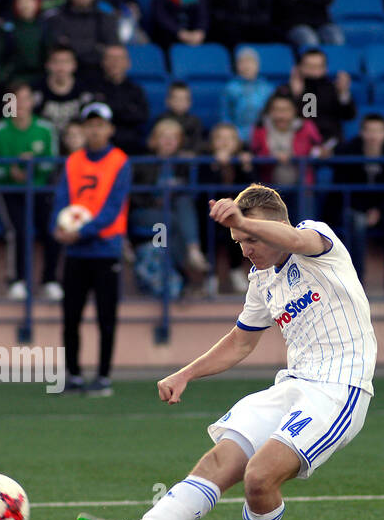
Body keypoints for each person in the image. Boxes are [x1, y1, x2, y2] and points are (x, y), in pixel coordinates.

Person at [75, 183, 376, 520]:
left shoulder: (318, 241)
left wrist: (242, 220)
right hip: (291, 385)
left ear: (273, 224)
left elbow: (293, 240)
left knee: (258, 477)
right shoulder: (262, 281)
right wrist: (185, 373)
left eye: (251, 239)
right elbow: (240, 343)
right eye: (239, 242)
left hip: (339, 390)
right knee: (222, 458)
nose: (246, 248)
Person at [52, 101, 131, 397]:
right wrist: (57, 227)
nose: (95, 130)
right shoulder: (73, 162)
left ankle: (103, 377)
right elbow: (61, 198)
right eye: (90, 125)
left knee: (105, 317)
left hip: (105, 250)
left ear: (109, 129)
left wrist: (80, 232)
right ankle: (72, 375)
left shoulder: (120, 161)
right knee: (70, 316)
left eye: (100, 125)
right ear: (83, 129)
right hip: (76, 253)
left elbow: (112, 209)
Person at [0, 79, 62, 301]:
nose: (21, 104)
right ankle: (17, 280)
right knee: (18, 230)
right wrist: (10, 171)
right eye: (15, 99)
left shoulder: (45, 129)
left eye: (25, 98)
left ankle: (50, 280)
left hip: (40, 189)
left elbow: (52, 161)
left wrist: (33, 165)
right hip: (11, 190)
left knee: (52, 228)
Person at [129, 119, 210, 298]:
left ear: (179, 142)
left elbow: (191, 192)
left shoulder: (183, 164)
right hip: (145, 213)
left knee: (180, 209)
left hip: (173, 214)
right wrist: (154, 199)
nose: (168, 141)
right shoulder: (142, 163)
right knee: (172, 220)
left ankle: (190, 254)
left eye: (173, 138)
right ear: (154, 140)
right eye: (164, 137)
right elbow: (133, 196)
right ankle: (190, 268)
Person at [329, 113, 384, 293]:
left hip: (380, 206)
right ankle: (356, 280)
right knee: (358, 223)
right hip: (352, 205)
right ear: (362, 133)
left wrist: (378, 210)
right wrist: (365, 209)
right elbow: (342, 188)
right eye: (369, 131)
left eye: (378, 131)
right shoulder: (348, 152)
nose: (373, 136)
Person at [202, 122, 255, 293]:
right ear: (212, 143)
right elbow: (204, 192)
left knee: (235, 228)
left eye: (229, 139)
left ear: (237, 143)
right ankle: (211, 276)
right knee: (209, 229)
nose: (224, 143)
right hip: (211, 211)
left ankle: (235, 270)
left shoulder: (242, 160)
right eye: (220, 139)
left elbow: (253, 190)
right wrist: (216, 167)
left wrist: (246, 167)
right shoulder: (206, 160)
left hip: (238, 212)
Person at [43, 0, 120, 81]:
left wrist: (71, 44)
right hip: (64, 76)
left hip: (99, 75)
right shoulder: (56, 19)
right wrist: (94, 47)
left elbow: (111, 50)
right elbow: (58, 51)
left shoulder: (106, 19)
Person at [277, 47, 355, 149]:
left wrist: (344, 93)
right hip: (297, 144)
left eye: (317, 67)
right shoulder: (287, 89)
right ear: (300, 67)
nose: (313, 71)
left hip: (331, 144)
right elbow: (280, 115)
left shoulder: (333, 89)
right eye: (309, 66)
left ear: (325, 68)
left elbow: (349, 115)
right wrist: (295, 95)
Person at [249, 92, 324, 190]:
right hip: (268, 187)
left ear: (294, 111)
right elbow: (255, 154)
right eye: (276, 110)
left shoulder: (306, 127)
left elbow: (318, 147)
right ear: (270, 111)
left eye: (285, 110)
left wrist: (320, 152)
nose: (281, 115)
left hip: (301, 185)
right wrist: (273, 157)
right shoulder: (259, 129)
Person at [93, 44, 149, 156]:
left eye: (119, 58)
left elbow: (142, 116)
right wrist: (127, 109)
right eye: (111, 58)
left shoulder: (136, 90)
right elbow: (94, 117)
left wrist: (111, 109)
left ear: (128, 63)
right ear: (103, 62)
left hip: (131, 146)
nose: (115, 63)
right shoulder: (94, 88)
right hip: (101, 146)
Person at [0, 0, 48, 87]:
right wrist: (3, 78)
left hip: (40, 79)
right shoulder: (7, 28)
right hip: (13, 80)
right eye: (21, 1)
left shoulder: (44, 27)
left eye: (29, 0)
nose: (25, 4)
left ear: (37, 3)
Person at [35, 44, 95, 134]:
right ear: (47, 65)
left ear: (74, 65)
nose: (61, 67)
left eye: (66, 62)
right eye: (56, 62)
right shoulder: (35, 90)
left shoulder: (85, 91)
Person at [220, 46, 272, 136]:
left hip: (264, 133)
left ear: (258, 65)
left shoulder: (267, 88)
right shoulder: (230, 88)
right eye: (242, 62)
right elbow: (225, 116)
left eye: (250, 62)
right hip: (237, 134)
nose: (246, 66)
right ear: (237, 66)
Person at [154, 81, 206, 153]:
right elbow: (154, 142)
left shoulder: (195, 122)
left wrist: (190, 153)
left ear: (190, 102)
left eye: (184, 99)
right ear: (168, 101)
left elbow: (198, 143)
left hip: (186, 161)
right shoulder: (161, 119)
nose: (180, 102)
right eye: (176, 99)